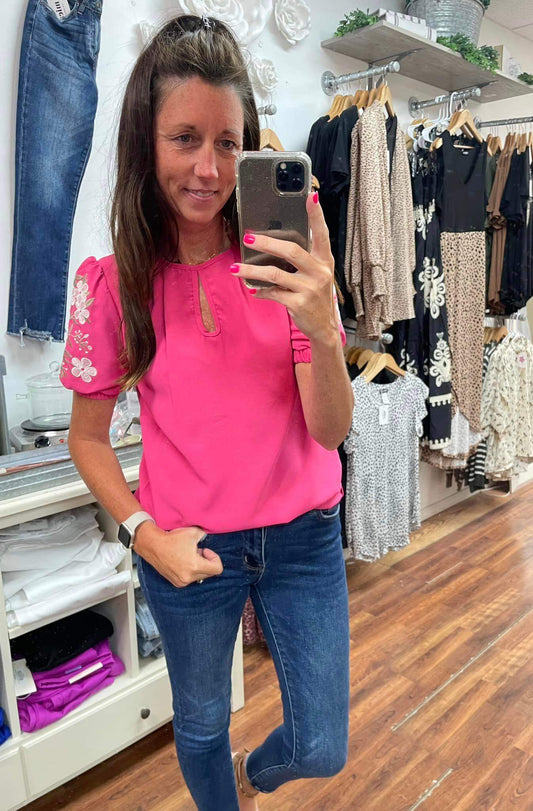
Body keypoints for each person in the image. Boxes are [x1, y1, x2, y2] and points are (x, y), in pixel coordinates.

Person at [60, 14, 353, 811]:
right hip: (186, 546)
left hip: (303, 536)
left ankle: (254, 781)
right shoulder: (112, 283)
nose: (207, 167)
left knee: (323, 741)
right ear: (144, 144)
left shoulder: (284, 255)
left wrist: (322, 319)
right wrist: (141, 532)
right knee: (197, 724)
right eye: (184, 137)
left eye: (228, 142)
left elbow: (330, 429)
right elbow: (88, 438)